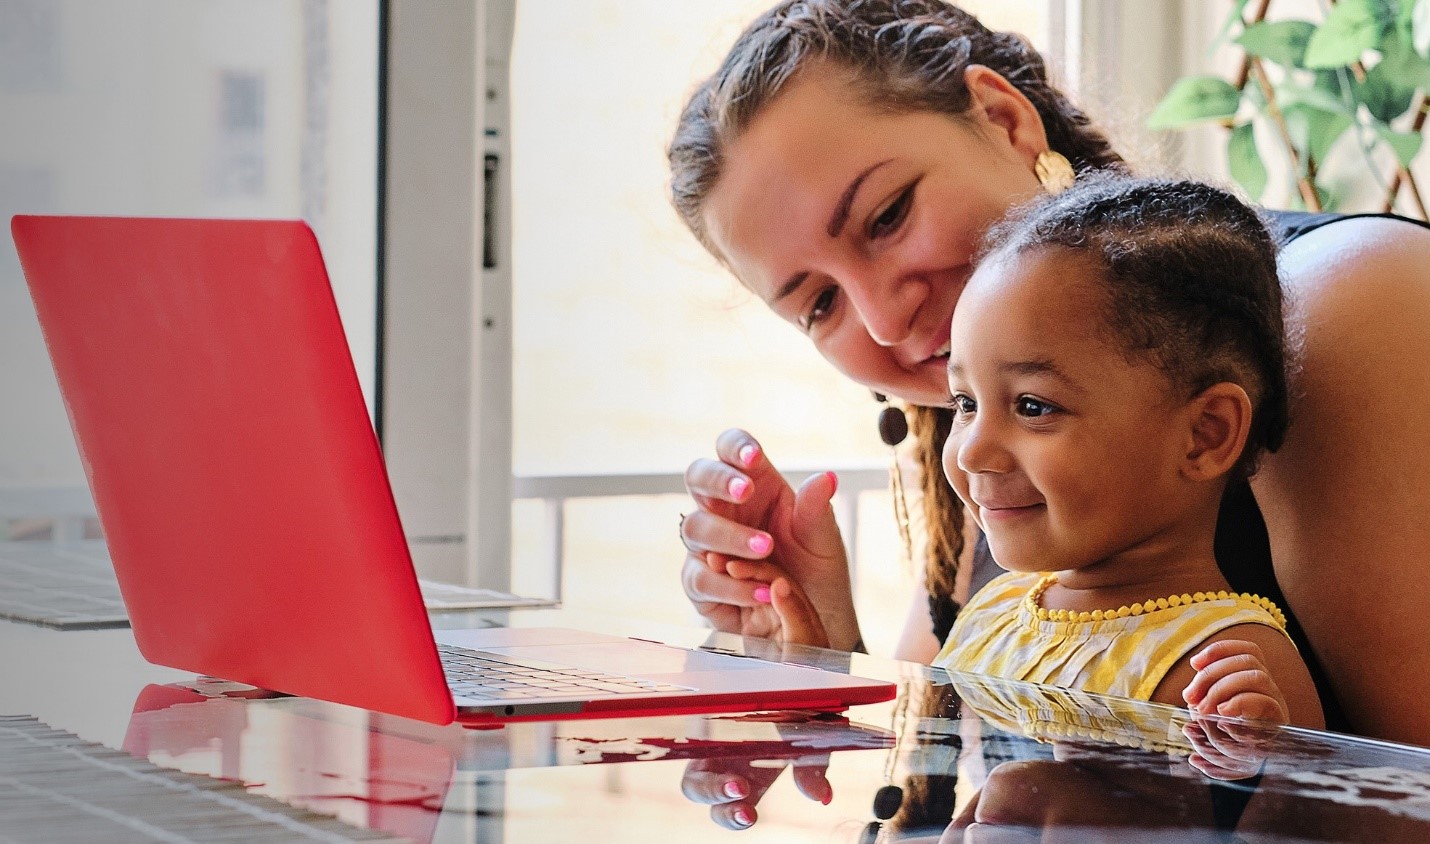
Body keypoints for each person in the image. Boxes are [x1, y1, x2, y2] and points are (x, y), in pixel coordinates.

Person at [670, 0, 1430, 745]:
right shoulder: (998, 451)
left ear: (1003, 120)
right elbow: (953, 781)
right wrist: (819, 646)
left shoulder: (1333, 299)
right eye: (821, 303)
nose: (885, 321)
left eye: (888, 215)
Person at [932, 174, 1322, 729]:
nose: (972, 451)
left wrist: (1262, 759)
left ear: (1204, 435)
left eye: (1034, 407)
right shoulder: (995, 616)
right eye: (965, 403)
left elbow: (1314, 818)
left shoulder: (1224, 663)